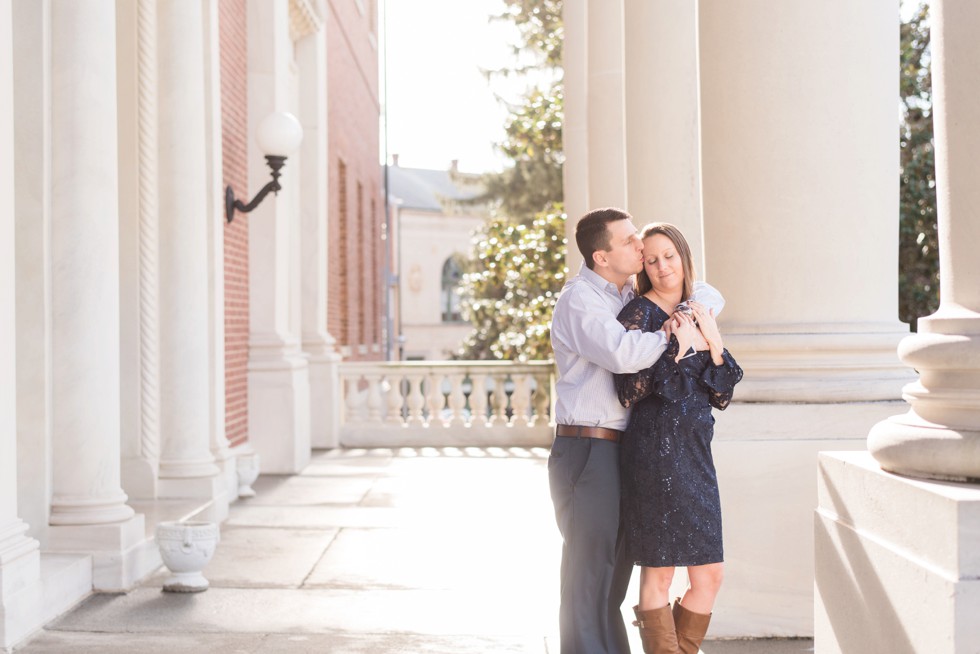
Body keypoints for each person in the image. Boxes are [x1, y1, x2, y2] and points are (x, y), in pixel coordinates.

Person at [549, 208, 724, 654]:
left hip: (624, 449)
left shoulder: (625, 290)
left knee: (614, 575)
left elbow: (705, 292)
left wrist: (687, 314)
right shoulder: (579, 300)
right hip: (586, 446)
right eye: (629, 241)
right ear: (601, 256)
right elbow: (624, 354)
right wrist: (677, 338)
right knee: (589, 575)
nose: (640, 248)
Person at [613, 223, 743, 654]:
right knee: (661, 572)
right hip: (654, 455)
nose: (662, 266)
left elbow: (721, 393)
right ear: (643, 267)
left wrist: (714, 342)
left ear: (684, 257)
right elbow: (629, 392)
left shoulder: (700, 309)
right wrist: (677, 347)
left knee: (710, 576)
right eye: (651, 260)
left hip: (696, 456)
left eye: (669, 255)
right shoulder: (638, 315)